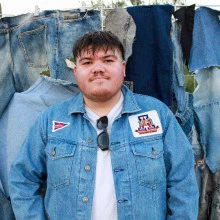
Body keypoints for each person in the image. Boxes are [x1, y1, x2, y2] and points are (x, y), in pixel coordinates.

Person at [9, 30, 199, 219]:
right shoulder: (49, 121)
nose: (98, 68)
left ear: (123, 68)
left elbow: (183, 183)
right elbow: (22, 180)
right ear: (76, 71)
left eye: (108, 60)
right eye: (87, 62)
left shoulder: (157, 115)